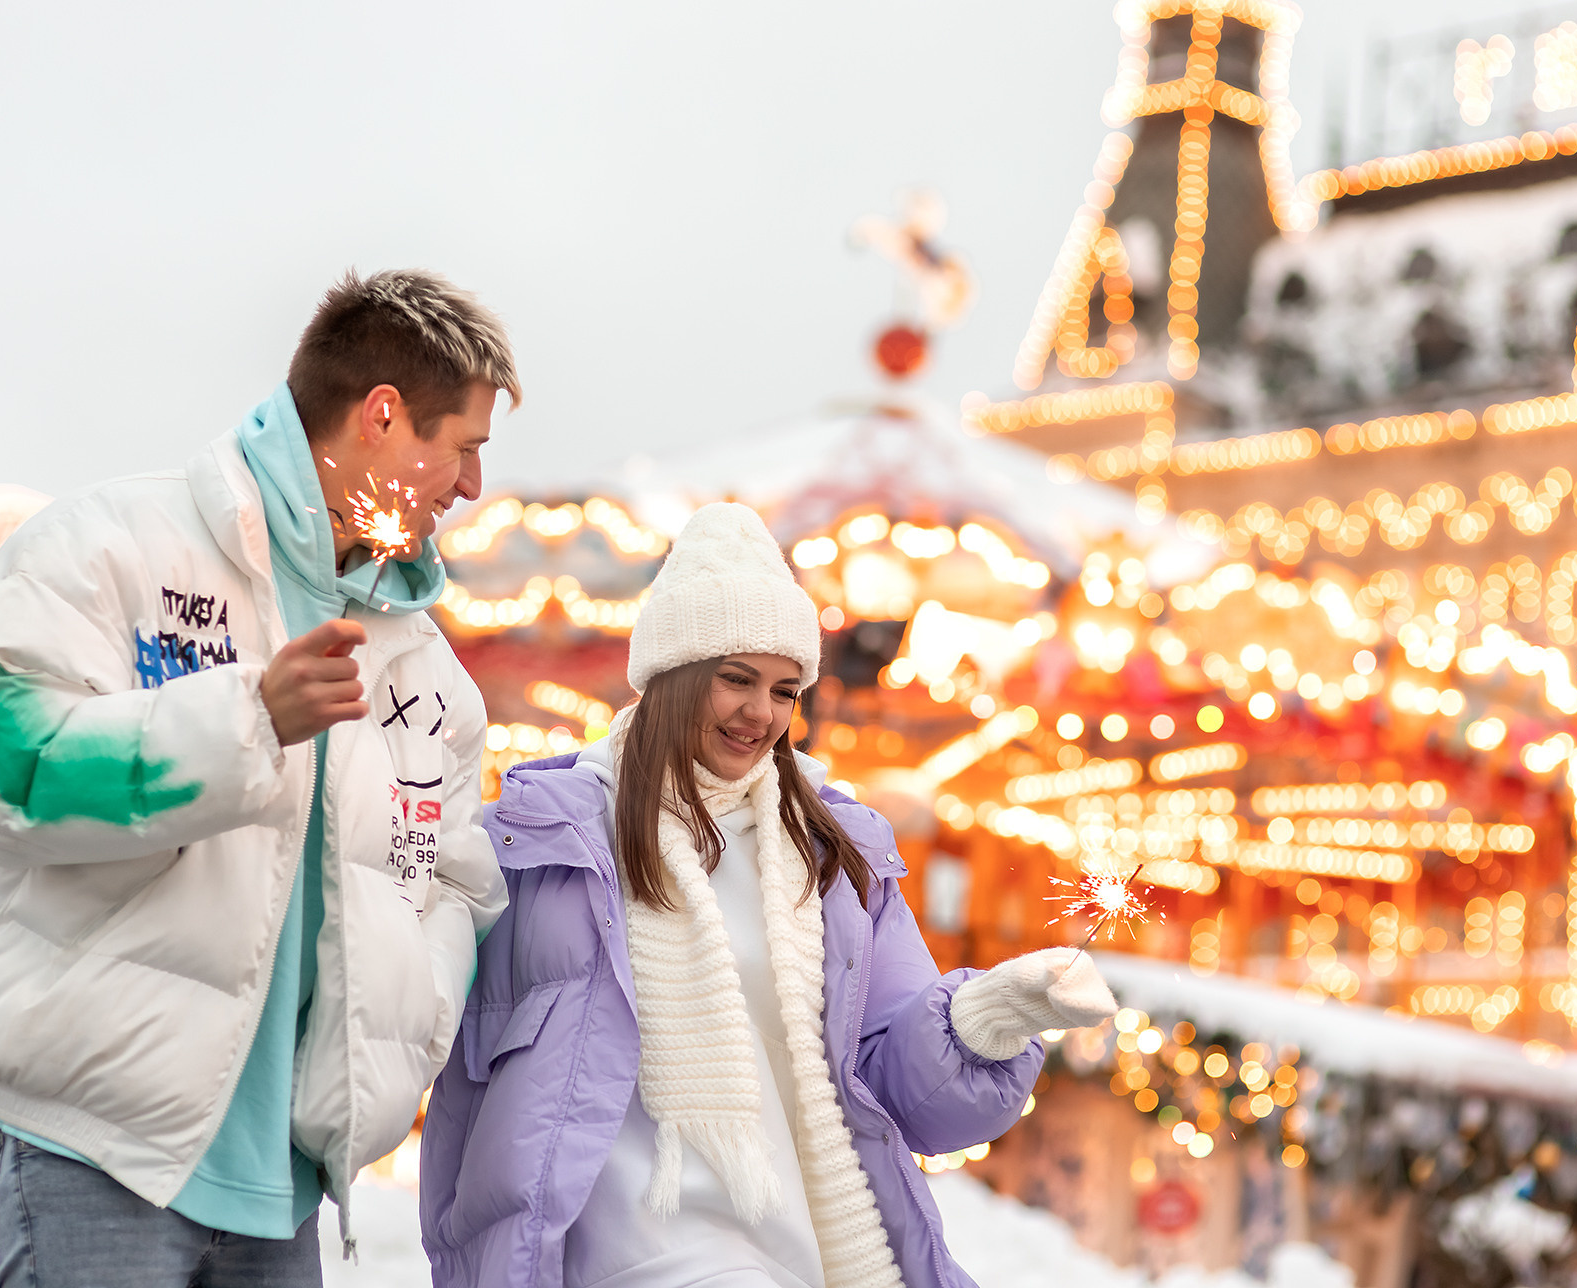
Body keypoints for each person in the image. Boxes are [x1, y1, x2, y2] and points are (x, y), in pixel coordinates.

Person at [0, 269, 517, 1287]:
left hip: (285, 1193)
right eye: (462, 447)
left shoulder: (431, 677)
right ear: (384, 415)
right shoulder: (107, 547)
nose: (470, 487)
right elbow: (5, 763)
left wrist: (408, 1019)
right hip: (97, 1153)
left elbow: (454, 883)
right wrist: (251, 721)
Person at [420, 502, 1118, 1288]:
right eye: (737, 679)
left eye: (786, 690)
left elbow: (903, 1092)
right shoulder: (539, 842)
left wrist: (988, 1017)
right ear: (673, 676)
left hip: (797, 1251)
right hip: (615, 1254)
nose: (762, 713)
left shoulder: (832, 858)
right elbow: (425, 1015)